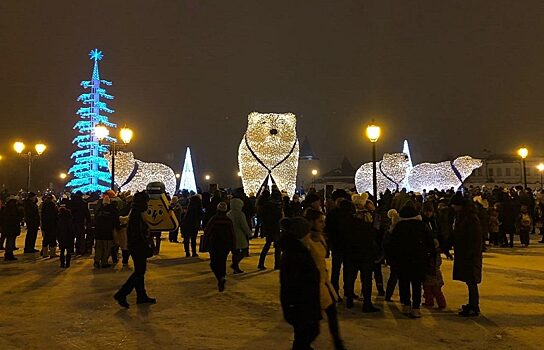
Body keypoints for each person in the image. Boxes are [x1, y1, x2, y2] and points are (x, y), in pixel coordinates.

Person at [304, 209, 346, 350]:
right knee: (312, 327)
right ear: (311, 222)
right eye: (320, 221)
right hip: (313, 286)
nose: (323, 224)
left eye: (324, 221)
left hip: (324, 284)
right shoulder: (306, 242)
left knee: (332, 314)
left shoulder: (321, 238)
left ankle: (338, 343)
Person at [279, 217, 321, 350]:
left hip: (303, 302)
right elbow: (291, 282)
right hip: (300, 303)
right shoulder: (295, 253)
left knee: (305, 335)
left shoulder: (299, 250)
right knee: (306, 334)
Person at [389, 204, 435, 318]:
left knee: (404, 283)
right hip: (419, 259)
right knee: (416, 284)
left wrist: (392, 259)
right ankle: (416, 308)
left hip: (402, 259)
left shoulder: (398, 227)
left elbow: (392, 244)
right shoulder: (421, 225)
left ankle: (406, 305)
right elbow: (430, 243)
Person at [114, 191, 156, 308]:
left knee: (139, 271)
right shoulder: (140, 213)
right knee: (139, 272)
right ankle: (122, 293)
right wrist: (147, 244)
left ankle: (141, 295)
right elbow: (141, 232)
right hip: (139, 246)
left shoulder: (135, 212)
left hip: (135, 245)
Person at [344, 196, 380, 313]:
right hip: (365, 253)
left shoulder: (349, 221)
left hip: (352, 253)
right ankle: (367, 303)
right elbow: (374, 235)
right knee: (366, 279)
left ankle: (349, 300)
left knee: (351, 277)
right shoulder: (368, 221)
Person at [450, 192, 483, 317]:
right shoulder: (463, 215)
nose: (453, 207)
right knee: (469, 280)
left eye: (454, 205)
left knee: (471, 281)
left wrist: (471, 252)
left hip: (469, 253)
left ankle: (474, 306)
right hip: (465, 252)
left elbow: (475, 237)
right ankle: (472, 304)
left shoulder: (470, 217)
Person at [324, 189, 352, 299]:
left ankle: (337, 291)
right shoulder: (348, 212)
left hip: (338, 244)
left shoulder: (333, 213)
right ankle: (345, 290)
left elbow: (328, 229)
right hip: (343, 244)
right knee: (344, 269)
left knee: (339, 269)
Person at [204, 202, 235, 291]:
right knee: (222, 261)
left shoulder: (214, 219)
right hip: (225, 244)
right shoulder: (228, 220)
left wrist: (205, 243)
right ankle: (222, 276)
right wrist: (233, 245)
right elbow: (232, 234)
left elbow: (208, 231)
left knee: (214, 263)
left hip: (214, 244)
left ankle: (220, 277)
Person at [258, 190, 284, 270]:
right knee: (277, 246)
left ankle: (261, 263)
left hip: (268, 227)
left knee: (267, 245)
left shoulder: (266, 205)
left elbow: (263, 215)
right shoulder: (276, 206)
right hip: (275, 227)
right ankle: (277, 264)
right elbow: (279, 217)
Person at [93, 195, 119, 268]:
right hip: (108, 233)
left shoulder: (99, 210)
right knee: (107, 248)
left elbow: (95, 221)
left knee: (98, 248)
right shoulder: (112, 210)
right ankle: (104, 262)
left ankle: (97, 261)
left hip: (98, 233)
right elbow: (116, 220)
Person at [227, 198, 251, 273]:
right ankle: (235, 264)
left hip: (231, 235)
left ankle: (235, 267)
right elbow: (244, 225)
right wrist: (249, 233)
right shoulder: (240, 214)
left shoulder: (228, 214)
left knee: (235, 252)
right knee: (244, 250)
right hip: (239, 235)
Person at [422, 239, 446, 308]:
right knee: (428, 289)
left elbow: (436, 263)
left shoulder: (433, 254)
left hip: (433, 274)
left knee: (435, 290)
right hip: (433, 274)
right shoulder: (433, 253)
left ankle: (440, 303)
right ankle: (430, 302)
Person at [67, 191, 91, 256]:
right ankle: (79, 250)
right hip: (80, 221)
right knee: (80, 237)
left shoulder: (70, 202)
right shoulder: (83, 203)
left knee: (71, 237)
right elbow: (87, 213)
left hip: (71, 222)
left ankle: (71, 250)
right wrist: (89, 221)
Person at [1, 197, 24, 261]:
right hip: (12, 227)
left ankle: (8, 254)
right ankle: (9, 254)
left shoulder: (6, 208)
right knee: (10, 241)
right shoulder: (13, 210)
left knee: (9, 241)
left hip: (7, 227)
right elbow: (17, 217)